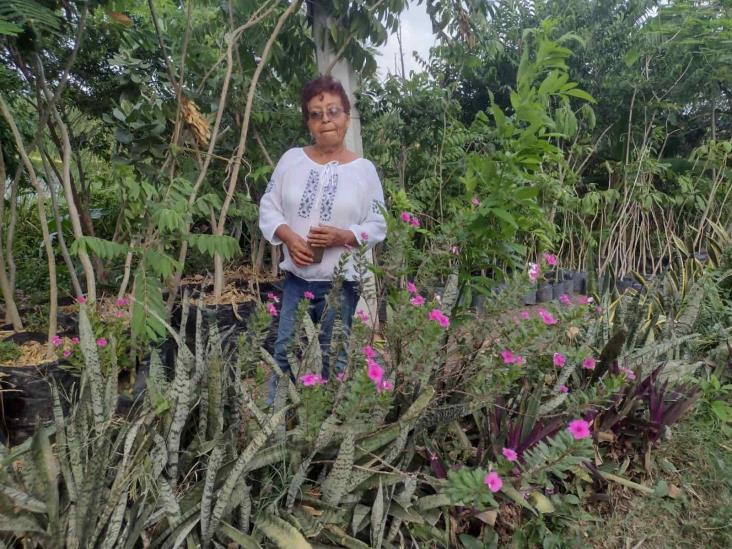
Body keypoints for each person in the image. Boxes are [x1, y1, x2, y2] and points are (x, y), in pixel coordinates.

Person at [258, 75, 387, 401]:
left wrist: (345, 235)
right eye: (316, 114)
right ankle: (276, 431)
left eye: (333, 111)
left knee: (333, 361)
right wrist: (288, 236)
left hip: (339, 287)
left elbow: (378, 224)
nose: (325, 120)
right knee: (284, 358)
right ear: (308, 123)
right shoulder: (292, 161)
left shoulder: (364, 171)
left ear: (346, 116)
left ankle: (327, 432)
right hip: (296, 282)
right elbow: (268, 207)